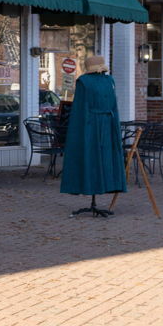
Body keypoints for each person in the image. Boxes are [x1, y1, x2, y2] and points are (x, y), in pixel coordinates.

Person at [60, 53, 126, 212]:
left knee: (90, 157)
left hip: (90, 124)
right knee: (103, 158)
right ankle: (104, 185)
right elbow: (114, 105)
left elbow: (80, 109)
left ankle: (91, 187)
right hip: (108, 124)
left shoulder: (84, 81)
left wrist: (78, 131)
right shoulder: (109, 81)